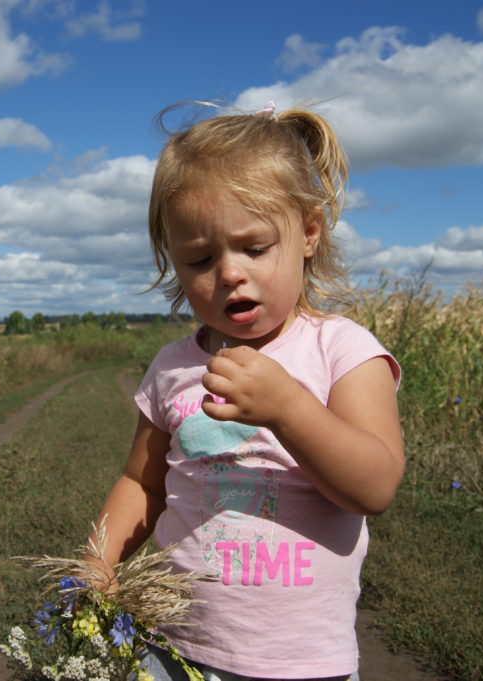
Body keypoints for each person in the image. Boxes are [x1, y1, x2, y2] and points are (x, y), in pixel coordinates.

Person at [88, 102, 404, 681]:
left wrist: (289, 408)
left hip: (302, 663)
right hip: (172, 645)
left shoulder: (343, 351)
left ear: (308, 233)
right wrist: (97, 562)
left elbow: (374, 485)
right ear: (174, 265)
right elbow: (142, 481)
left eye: (254, 247)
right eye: (201, 258)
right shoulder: (172, 367)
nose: (230, 272)